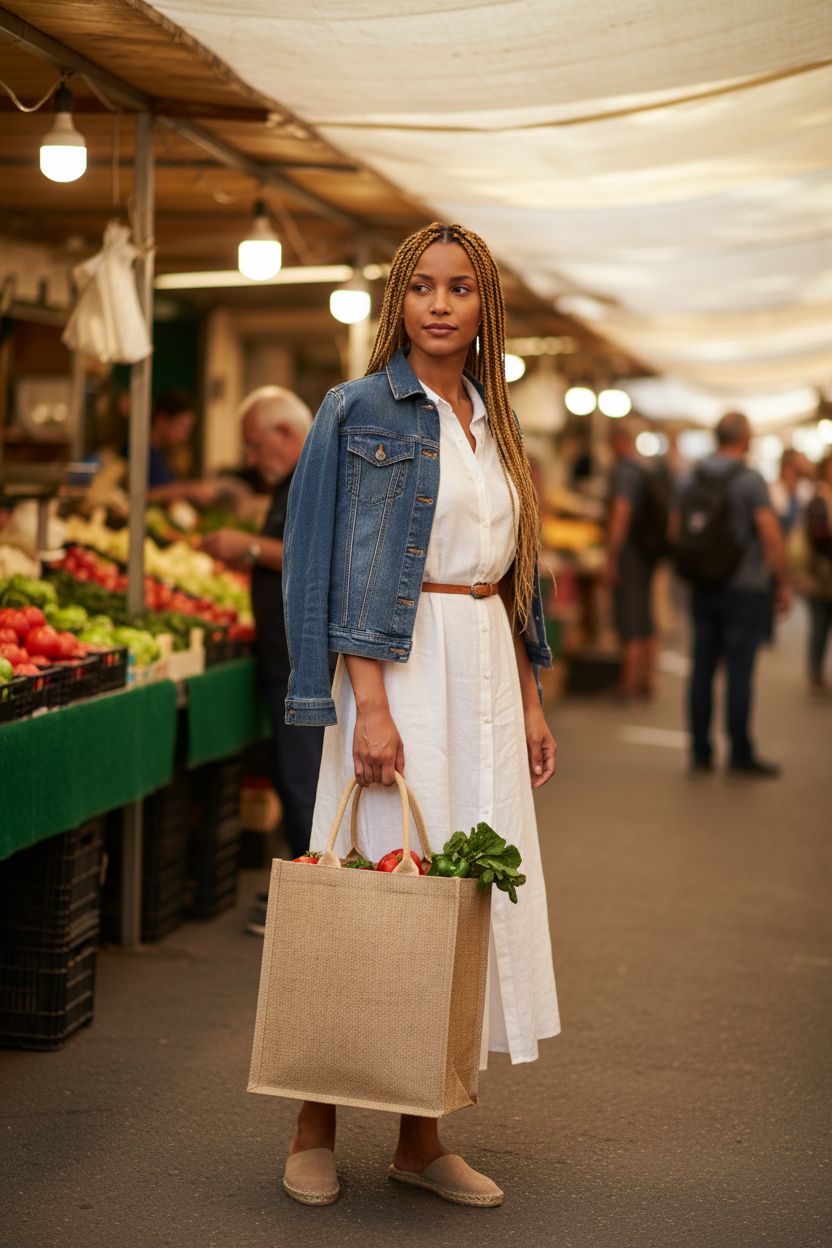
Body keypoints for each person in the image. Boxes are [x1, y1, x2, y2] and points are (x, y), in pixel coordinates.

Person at [280, 222, 559, 1208]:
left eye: (462, 288)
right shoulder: (356, 410)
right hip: (394, 673)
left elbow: (513, 574)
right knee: (365, 880)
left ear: (485, 309)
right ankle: (313, 1121)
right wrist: (362, 703)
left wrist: (528, 696)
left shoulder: (496, 421)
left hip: (481, 668)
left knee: (452, 892)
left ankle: (419, 1135)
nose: (441, 304)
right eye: (423, 287)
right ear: (398, 300)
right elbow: (327, 560)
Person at [200, 388, 326, 914]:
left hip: (302, 663)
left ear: (284, 434)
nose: (251, 459)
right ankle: (313, 895)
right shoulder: (291, 482)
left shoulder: (313, 478)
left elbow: (316, 555)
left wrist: (246, 546)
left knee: (303, 785)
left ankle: (317, 905)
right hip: (287, 658)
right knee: (295, 780)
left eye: (255, 445)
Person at [672, 411, 792, 777]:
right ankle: (739, 752)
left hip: (703, 586)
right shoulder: (751, 480)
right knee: (739, 670)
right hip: (744, 587)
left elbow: (675, 530)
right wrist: (782, 582)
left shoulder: (692, 476)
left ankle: (700, 750)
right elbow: (769, 533)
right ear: (745, 437)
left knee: (702, 668)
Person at [604, 418, 662, 699]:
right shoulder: (644, 468)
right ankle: (647, 679)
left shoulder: (623, 472)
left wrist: (611, 554)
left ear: (617, 442)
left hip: (630, 553)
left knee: (629, 618)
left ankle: (627, 685)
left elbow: (621, 512)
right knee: (645, 615)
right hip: (648, 552)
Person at [789, 452, 832, 695]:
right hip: (818, 573)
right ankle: (815, 672)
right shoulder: (816, 500)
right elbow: (810, 536)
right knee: (819, 625)